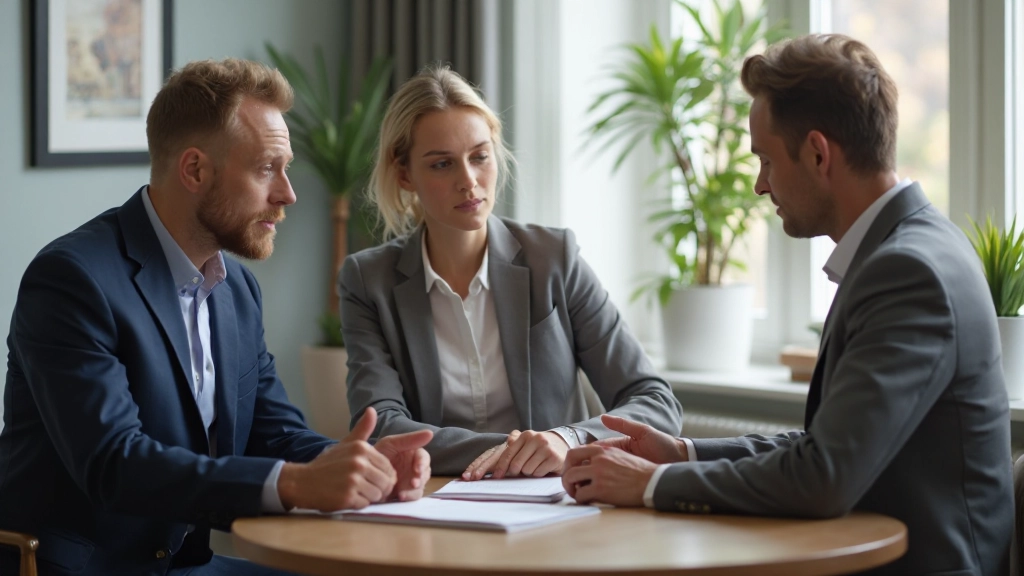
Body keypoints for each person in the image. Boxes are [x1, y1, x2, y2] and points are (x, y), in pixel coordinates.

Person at [561, 34, 1012, 576]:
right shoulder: (911, 248)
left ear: (819, 154)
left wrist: (649, 485)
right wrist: (681, 455)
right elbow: (827, 445)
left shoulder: (906, 273)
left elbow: (824, 476)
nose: (758, 184)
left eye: (767, 160)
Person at [0, 58, 432, 576]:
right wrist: (294, 485)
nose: (288, 194)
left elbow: (274, 433)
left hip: (188, 563)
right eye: (267, 168)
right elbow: (114, 463)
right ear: (195, 169)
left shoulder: (236, 288)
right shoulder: (73, 279)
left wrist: (368, 466)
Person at [339, 65, 682, 478]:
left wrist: (566, 440)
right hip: (437, 504)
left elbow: (654, 402)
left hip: (558, 505)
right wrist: (523, 452)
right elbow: (381, 430)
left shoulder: (555, 259)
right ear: (405, 173)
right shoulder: (367, 280)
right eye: (442, 165)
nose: (469, 181)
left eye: (480, 157)